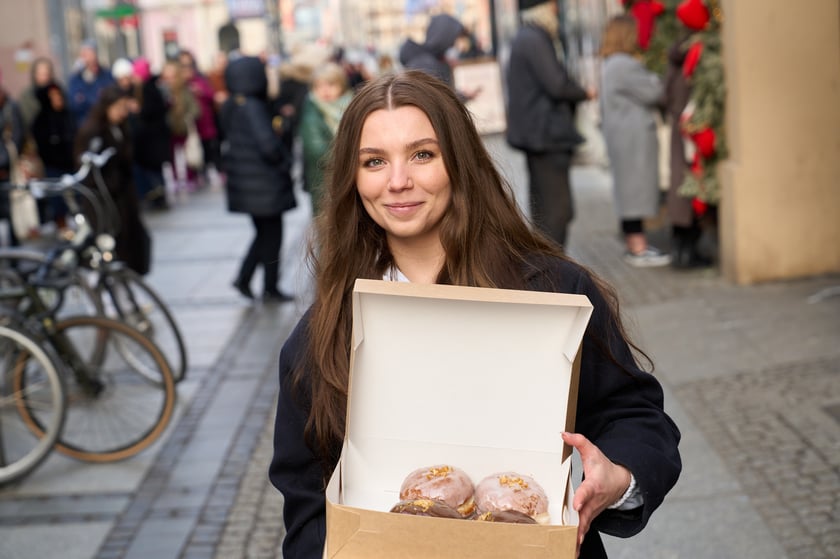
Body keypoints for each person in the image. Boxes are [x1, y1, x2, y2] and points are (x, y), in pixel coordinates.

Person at [268, 70, 681, 559]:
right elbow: (307, 513)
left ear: (459, 163)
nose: (399, 181)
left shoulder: (552, 291)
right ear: (353, 180)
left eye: (423, 154)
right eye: (374, 161)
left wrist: (617, 475)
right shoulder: (323, 335)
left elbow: (634, 416)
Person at [505, 0, 594, 248]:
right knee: (557, 210)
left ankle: (548, 266)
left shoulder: (527, 36)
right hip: (546, 136)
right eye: (553, 5)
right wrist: (585, 92)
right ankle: (554, 272)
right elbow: (556, 84)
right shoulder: (534, 38)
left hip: (538, 136)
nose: (557, 10)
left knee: (544, 209)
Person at [220, 56, 296, 302]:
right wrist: (284, 160)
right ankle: (269, 287)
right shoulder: (253, 106)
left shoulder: (234, 103)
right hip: (264, 183)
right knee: (272, 237)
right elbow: (268, 145)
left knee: (263, 234)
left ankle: (244, 278)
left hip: (248, 184)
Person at [599, 15, 671, 267]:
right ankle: (637, 248)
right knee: (633, 192)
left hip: (623, 138)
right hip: (632, 139)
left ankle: (636, 245)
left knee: (630, 190)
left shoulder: (611, 63)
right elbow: (655, 91)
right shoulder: (623, 64)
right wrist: (656, 78)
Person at [74, 85, 151, 276]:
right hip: (104, 197)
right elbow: (86, 165)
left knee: (131, 243)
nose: (123, 112)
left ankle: (128, 287)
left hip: (122, 195)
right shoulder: (94, 131)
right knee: (108, 244)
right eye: (119, 107)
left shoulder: (120, 128)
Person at [664, 33, 713, 269]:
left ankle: (681, 251)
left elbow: (665, 95)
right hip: (691, 131)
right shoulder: (691, 64)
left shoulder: (674, 65)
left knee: (680, 192)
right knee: (691, 190)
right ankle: (687, 253)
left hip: (679, 131)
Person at [299, 62, 353, 215]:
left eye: (330, 84)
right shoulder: (312, 111)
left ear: (341, 84)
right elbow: (318, 151)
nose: (325, 91)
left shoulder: (352, 104)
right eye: (319, 86)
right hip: (324, 183)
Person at [398, 13, 480, 101]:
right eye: (452, 40)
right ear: (444, 38)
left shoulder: (433, 60)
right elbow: (438, 101)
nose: (453, 45)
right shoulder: (425, 64)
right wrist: (463, 96)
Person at [67, 40, 115, 126]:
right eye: (84, 55)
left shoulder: (106, 75)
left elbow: (111, 98)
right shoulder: (76, 78)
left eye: (89, 54)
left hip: (105, 123)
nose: (87, 58)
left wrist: (85, 99)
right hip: (85, 124)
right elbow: (74, 104)